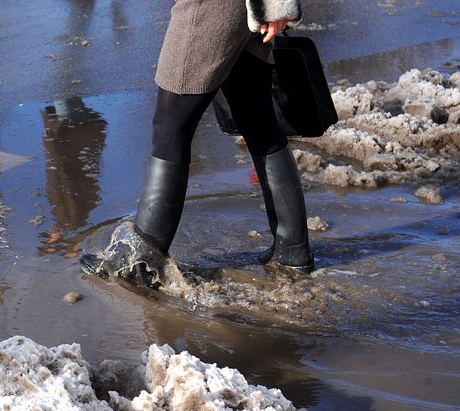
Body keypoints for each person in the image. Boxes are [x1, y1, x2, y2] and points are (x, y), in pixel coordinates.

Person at [83, 0, 313, 287]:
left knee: (170, 125)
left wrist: (277, 6)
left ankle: (141, 264)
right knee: (257, 120)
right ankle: (292, 252)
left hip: (212, 8)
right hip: (243, 10)